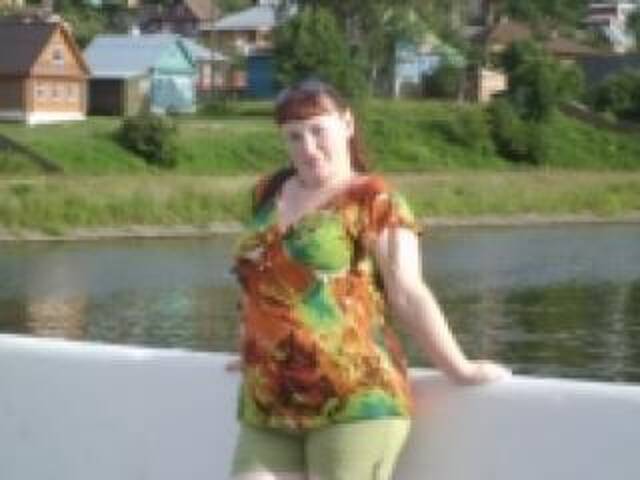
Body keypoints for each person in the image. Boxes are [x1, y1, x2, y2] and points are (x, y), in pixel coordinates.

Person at [228, 79, 510, 480]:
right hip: (268, 400)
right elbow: (259, 276)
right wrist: (252, 343)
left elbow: (408, 293)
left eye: (318, 131)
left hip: (355, 399)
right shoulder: (267, 193)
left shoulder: (375, 199)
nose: (308, 147)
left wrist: (459, 369)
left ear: (347, 124)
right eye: (294, 136)